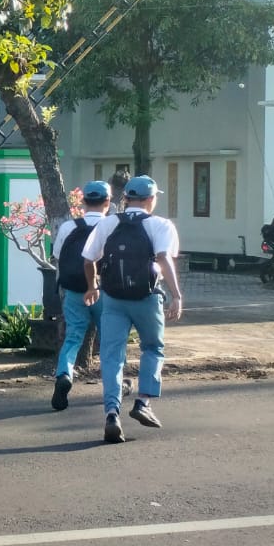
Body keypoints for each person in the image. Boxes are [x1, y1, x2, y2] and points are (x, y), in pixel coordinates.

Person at [81, 175, 182, 444]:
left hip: (113, 299)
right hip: (146, 298)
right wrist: (176, 295)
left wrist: (92, 287)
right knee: (153, 348)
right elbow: (164, 258)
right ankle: (143, 402)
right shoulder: (161, 225)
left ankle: (111, 412)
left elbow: (88, 259)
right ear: (151, 199)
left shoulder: (108, 223)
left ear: (125, 198)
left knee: (112, 356)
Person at [49, 181, 111, 411]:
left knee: (73, 336)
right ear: (107, 202)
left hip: (75, 290)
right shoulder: (112, 226)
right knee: (110, 338)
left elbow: (57, 256)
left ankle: (64, 374)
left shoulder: (68, 227)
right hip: (105, 291)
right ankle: (115, 383)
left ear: (83, 202)